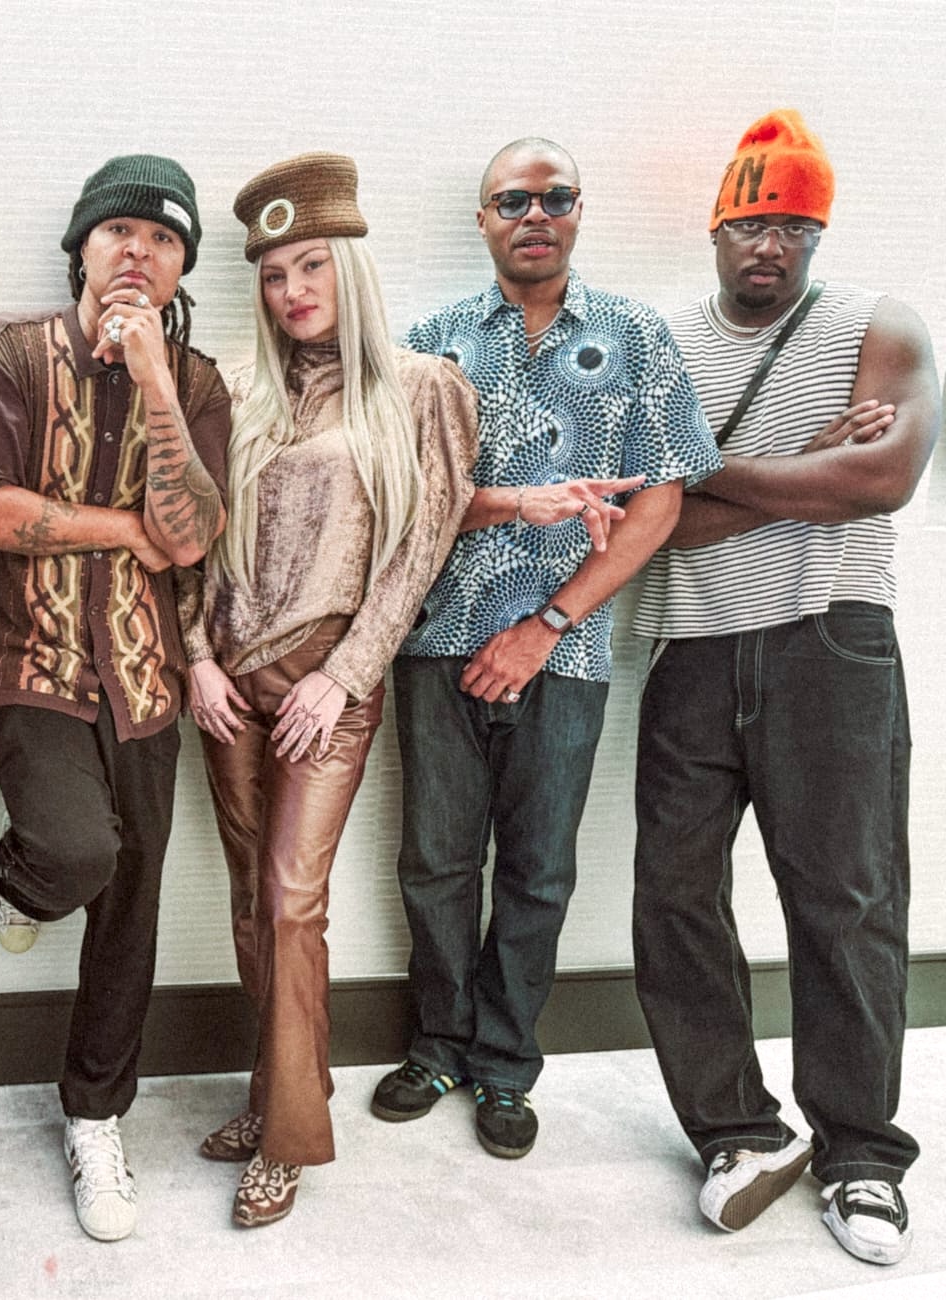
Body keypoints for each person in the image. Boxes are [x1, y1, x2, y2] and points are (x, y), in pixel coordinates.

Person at [371, 137, 722, 1160]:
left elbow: (660, 501)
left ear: (578, 211)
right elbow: (400, 496)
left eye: (555, 197)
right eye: (513, 200)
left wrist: (547, 624)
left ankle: (504, 1062)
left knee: (536, 868)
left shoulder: (634, 335)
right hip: (436, 641)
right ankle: (438, 1043)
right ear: (482, 218)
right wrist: (510, 504)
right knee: (435, 861)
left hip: (564, 656)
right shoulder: (431, 344)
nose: (536, 214)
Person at [630, 109, 938, 1266]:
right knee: (672, 896)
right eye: (752, 224)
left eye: (795, 227)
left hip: (831, 638)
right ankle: (735, 1133)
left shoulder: (877, 326)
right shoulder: (663, 343)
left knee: (846, 898)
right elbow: (653, 525)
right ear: (716, 227)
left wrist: (710, 473)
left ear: (817, 235)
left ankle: (861, 1155)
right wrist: (808, 463)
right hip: (691, 648)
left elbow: (882, 479)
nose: (771, 245)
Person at [179, 153, 477, 1227]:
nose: (292, 289)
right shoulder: (238, 393)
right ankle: (275, 1092)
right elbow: (192, 541)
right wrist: (195, 656)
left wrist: (344, 676)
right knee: (249, 903)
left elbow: (418, 552)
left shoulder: (425, 389)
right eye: (273, 274)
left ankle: (291, 1138)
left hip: (327, 687)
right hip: (228, 683)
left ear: (349, 266)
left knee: (293, 901)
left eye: (311, 265)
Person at [0, 154, 230, 1242]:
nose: (138, 253)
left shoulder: (198, 383)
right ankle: (19, 881)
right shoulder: (8, 351)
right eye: (120, 233)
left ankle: (96, 1118)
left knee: (132, 907)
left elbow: (190, 539)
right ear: (83, 248)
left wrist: (155, 382)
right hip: (34, 663)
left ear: (181, 267)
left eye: (163, 240)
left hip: (146, 676)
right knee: (74, 852)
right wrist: (122, 530)